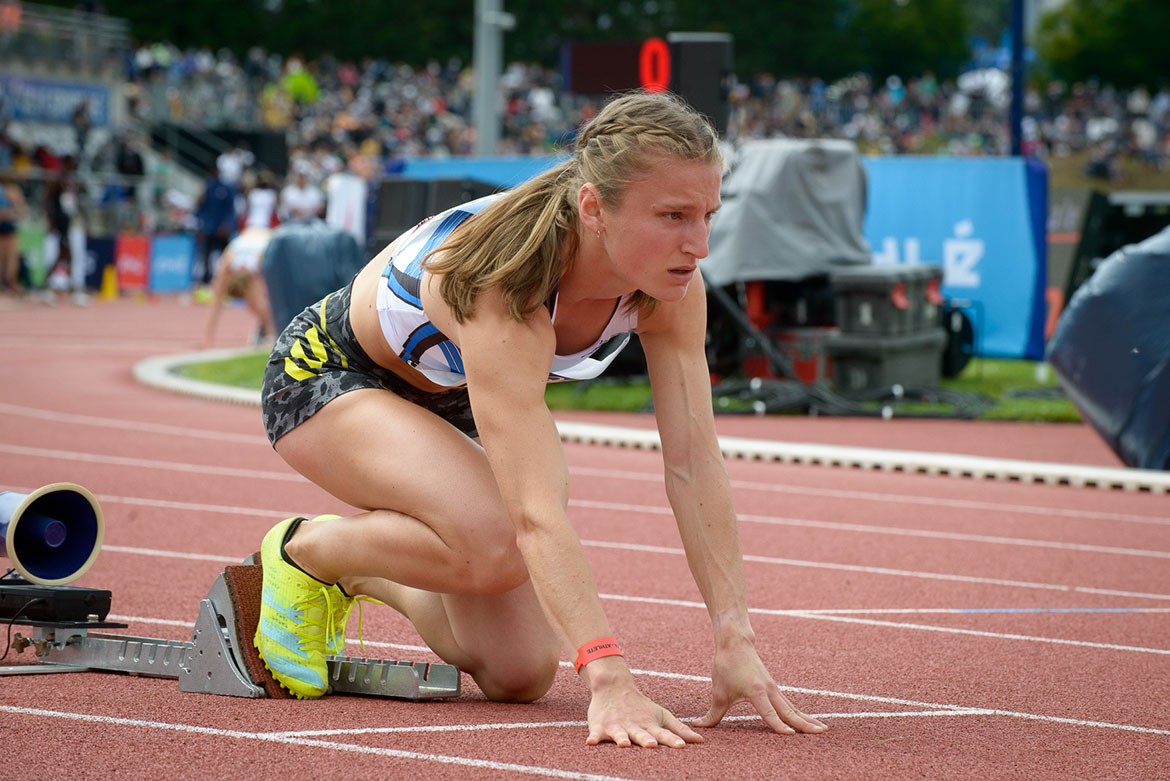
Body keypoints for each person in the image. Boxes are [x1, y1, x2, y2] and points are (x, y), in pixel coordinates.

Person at [255, 91, 828, 747]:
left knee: (518, 670)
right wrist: (608, 673)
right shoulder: (507, 289)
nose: (698, 243)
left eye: (707, 215)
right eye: (673, 216)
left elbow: (694, 463)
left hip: (448, 397)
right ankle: (309, 552)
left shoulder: (672, 286)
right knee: (500, 536)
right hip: (329, 375)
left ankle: (364, 571)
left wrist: (735, 635)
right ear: (594, 209)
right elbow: (536, 510)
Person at [0, 172, 28, 294]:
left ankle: (10, 282)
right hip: (2, 229)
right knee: (2, 259)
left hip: (10, 229)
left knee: (13, 258)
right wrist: (10, 212)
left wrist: (16, 209)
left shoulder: (13, 190)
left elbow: (21, 211)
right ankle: (3, 283)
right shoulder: (5, 191)